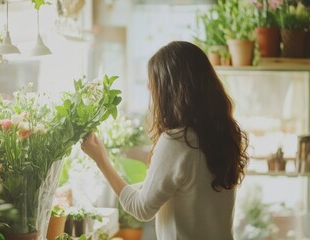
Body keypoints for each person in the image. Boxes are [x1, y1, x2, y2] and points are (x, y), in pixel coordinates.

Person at [81, 41, 249, 240]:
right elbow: (181, 186)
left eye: (153, 84)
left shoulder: (177, 141)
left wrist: (102, 160)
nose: (149, 88)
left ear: (171, 89)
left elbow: (141, 208)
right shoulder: (225, 133)